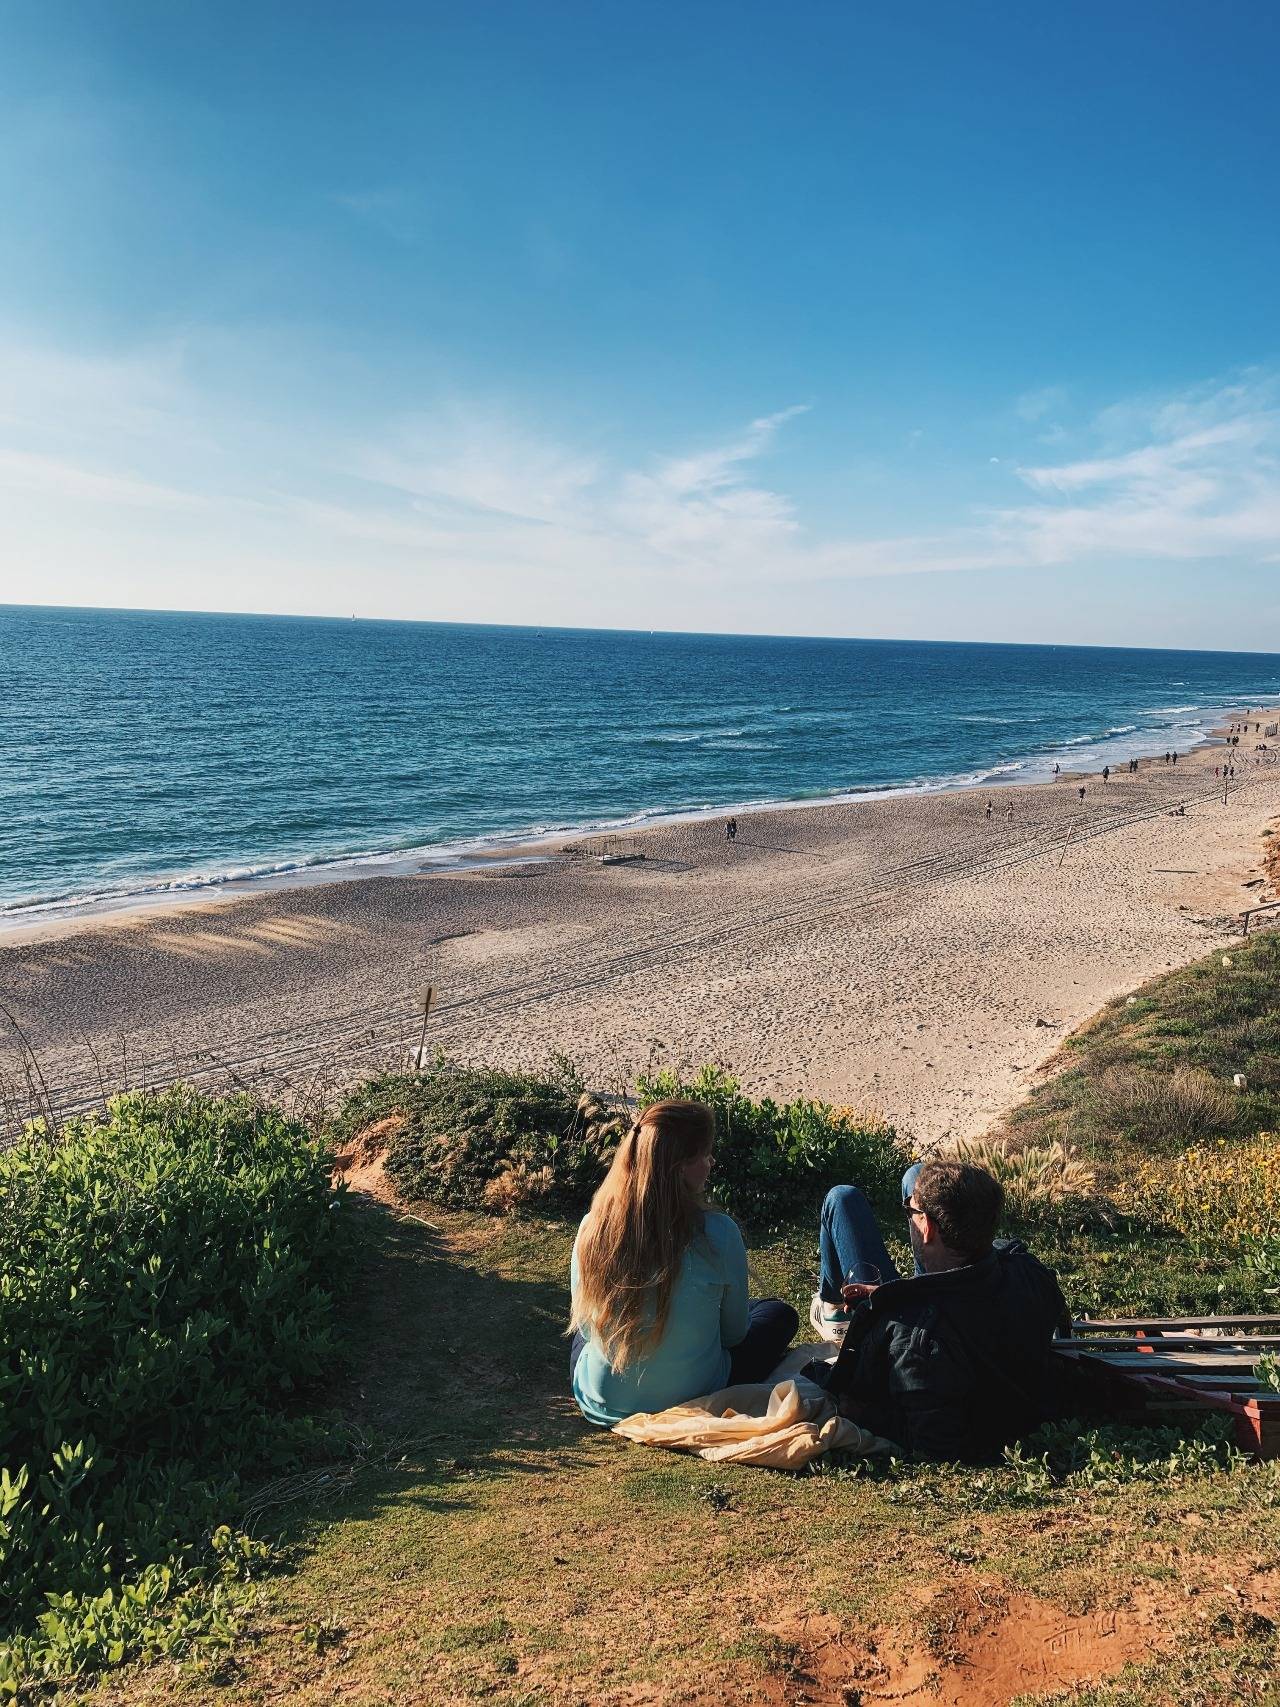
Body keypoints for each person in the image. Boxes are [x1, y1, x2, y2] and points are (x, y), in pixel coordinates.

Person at [806, 1161, 1067, 1461]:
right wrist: (900, 1293)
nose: (910, 1213)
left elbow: (933, 1440)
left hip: (928, 1313)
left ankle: (833, 1308)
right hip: (968, 1290)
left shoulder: (916, 1340)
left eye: (912, 1212)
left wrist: (858, 1411)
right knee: (915, 1174)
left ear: (927, 1228)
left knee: (842, 1198)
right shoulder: (1030, 1272)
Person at [568, 1101, 797, 1426]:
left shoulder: (592, 1226)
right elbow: (733, 1336)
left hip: (604, 1399)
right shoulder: (719, 1233)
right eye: (705, 1154)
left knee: (582, 1335)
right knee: (777, 1314)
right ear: (680, 1168)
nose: (711, 1162)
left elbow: (587, 1327)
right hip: (695, 1394)